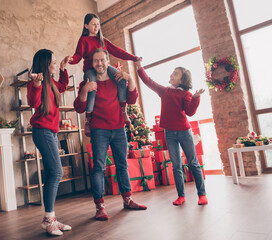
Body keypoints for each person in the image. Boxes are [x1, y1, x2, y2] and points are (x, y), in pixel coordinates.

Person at [74, 48, 147, 221]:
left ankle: (128, 200)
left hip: (119, 128)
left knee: (122, 165)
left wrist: (130, 80)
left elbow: (131, 99)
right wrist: (85, 90)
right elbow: (79, 107)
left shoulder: (117, 80)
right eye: (96, 61)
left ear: (107, 61)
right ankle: (100, 207)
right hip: (99, 130)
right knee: (99, 168)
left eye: (102, 60)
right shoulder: (88, 81)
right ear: (92, 64)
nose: (99, 63)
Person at [135, 60, 208, 206]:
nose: (172, 75)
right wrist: (138, 67)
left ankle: (202, 194)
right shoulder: (165, 91)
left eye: (175, 74)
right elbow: (149, 82)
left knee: (193, 163)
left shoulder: (186, 94)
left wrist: (195, 98)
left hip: (184, 132)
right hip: (170, 133)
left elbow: (190, 112)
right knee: (176, 165)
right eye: (173, 73)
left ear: (182, 80)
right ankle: (181, 196)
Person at [69, 13, 142, 137]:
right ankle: (88, 118)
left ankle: (123, 111)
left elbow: (118, 51)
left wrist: (134, 58)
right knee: (92, 87)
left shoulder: (103, 41)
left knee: (121, 78)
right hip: (90, 70)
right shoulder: (84, 40)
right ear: (86, 25)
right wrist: (70, 60)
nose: (96, 27)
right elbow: (77, 55)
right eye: (93, 24)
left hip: (106, 69)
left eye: (98, 24)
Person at [27, 49, 73, 236]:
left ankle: (51, 218)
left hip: (51, 133)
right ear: (45, 64)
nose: (55, 64)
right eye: (53, 62)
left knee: (51, 174)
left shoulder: (52, 82)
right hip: (42, 132)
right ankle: (48, 219)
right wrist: (36, 84)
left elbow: (62, 85)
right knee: (57, 172)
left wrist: (63, 68)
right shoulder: (35, 82)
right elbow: (33, 103)